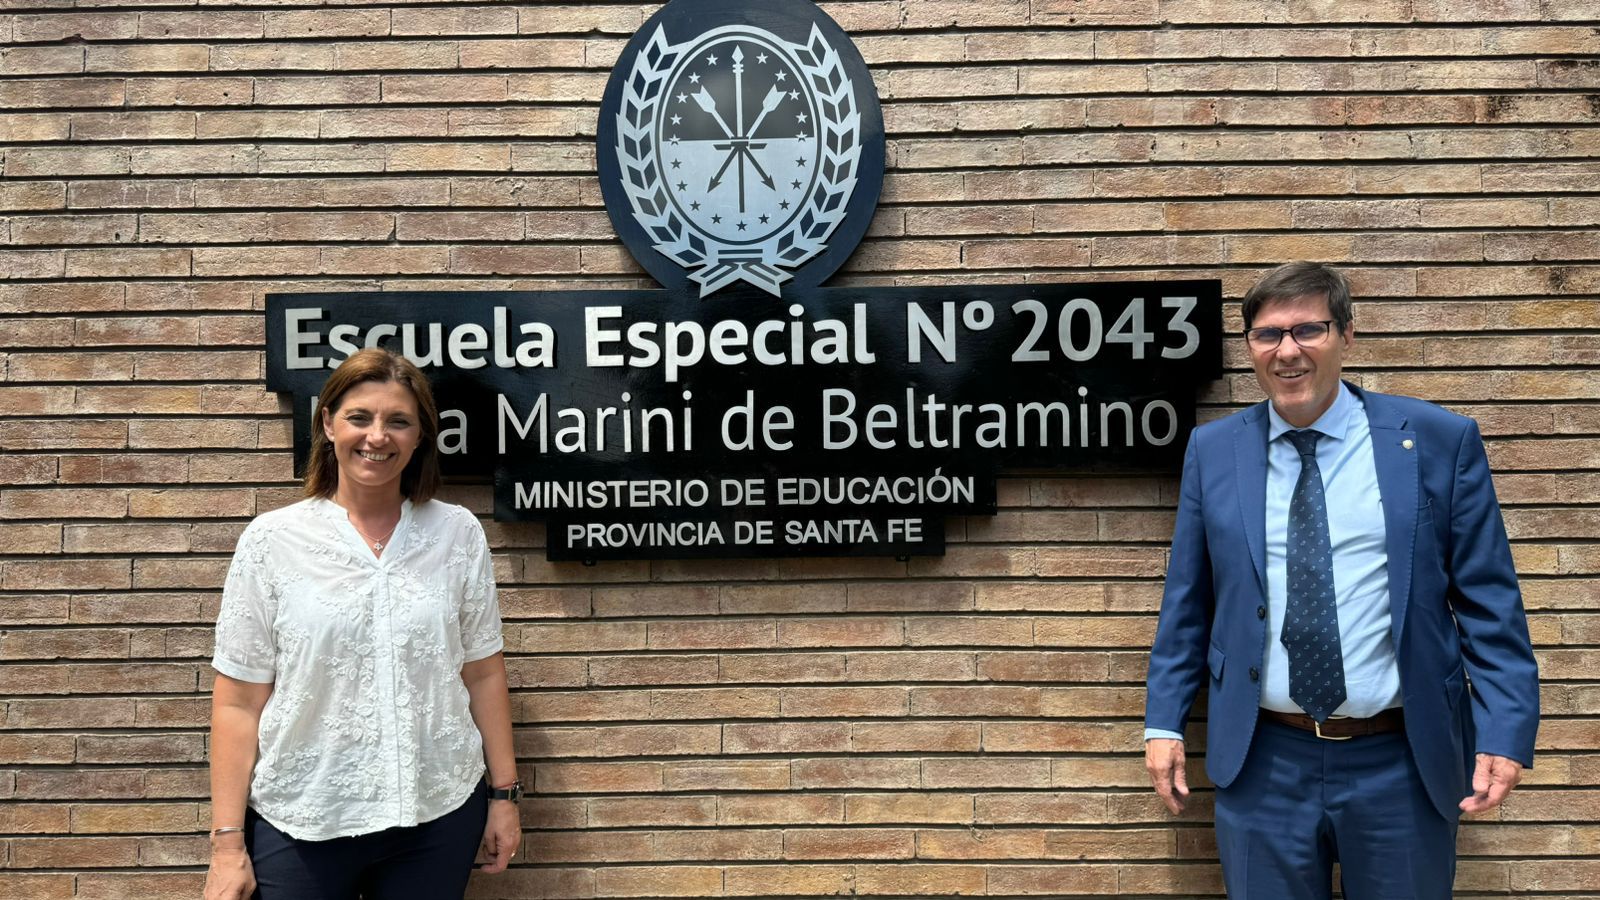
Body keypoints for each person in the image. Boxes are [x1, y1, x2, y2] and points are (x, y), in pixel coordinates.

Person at [1143, 262, 1539, 898]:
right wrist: (1164, 722)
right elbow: (1188, 600)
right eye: (1268, 334)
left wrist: (1504, 732)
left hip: (1401, 760)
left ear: (1347, 334)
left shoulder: (1437, 440)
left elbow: (1489, 601)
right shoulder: (1214, 451)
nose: (1287, 351)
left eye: (1309, 329)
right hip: (1264, 760)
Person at [204, 347, 522, 900]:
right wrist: (227, 845)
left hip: (437, 813)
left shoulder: (457, 534)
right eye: (360, 417)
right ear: (328, 424)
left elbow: (483, 672)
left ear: (420, 436)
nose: (378, 436)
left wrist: (504, 796)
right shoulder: (272, 541)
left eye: (398, 421)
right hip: (303, 817)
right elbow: (238, 701)